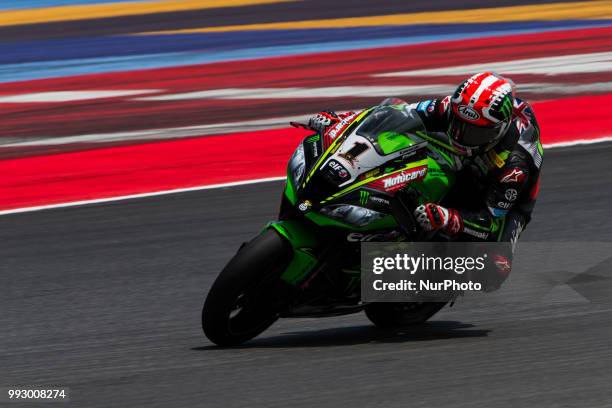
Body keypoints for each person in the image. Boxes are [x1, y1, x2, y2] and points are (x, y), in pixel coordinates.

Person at [308, 72, 542, 248]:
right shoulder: (451, 108)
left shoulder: (515, 166)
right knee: (396, 110)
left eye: (474, 133)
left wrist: (451, 219)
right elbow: (398, 114)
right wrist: (342, 121)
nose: (460, 135)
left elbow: (491, 223)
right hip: (468, 159)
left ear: (498, 130)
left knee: (493, 267)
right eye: (458, 123)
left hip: (498, 194)